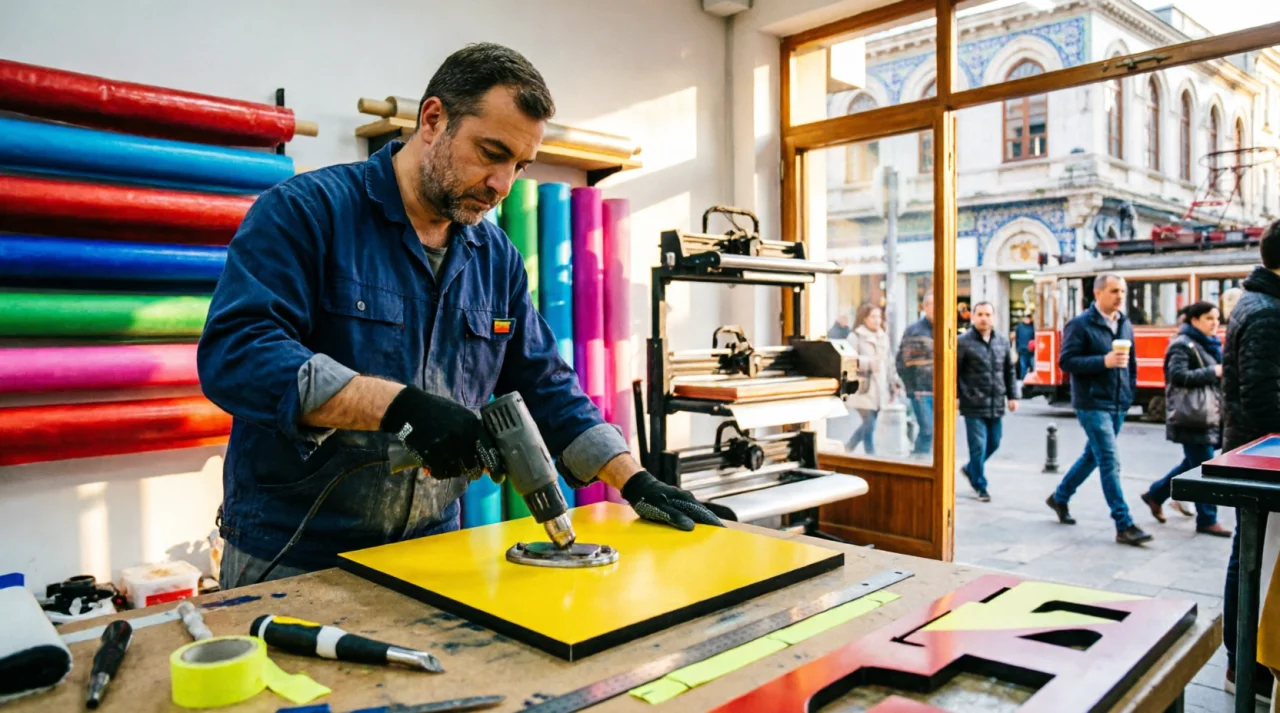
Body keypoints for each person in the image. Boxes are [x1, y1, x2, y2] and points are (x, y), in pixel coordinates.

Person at [198, 44, 721, 589]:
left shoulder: (495, 258)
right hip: (295, 554)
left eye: (518, 165)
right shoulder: (307, 211)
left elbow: (546, 385)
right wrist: (397, 406)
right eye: (490, 152)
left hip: (434, 549)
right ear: (433, 119)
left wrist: (633, 480)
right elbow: (240, 354)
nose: (503, 184)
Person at [1045, 273, 1152, 546]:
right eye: (1114, 291)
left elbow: (1131, 364)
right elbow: (1066, 362)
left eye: (1123, 292)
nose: (1120, 297)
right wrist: (1102, 361)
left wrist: (1129, 392)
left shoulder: (1124, 323)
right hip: (1092, 402)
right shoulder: (1080, 324)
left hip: (1117, 401)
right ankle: (1123, 523)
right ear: (1098, 293)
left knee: (1092, 457)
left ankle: (1060, 497)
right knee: (1108, 459)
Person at [1221, 220, 1280, 697]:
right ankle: (1244, 662)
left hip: (1254, 454)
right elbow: (1262, 398)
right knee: (1251, 558)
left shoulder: (1259, 304)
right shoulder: (1265, 312)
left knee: (1249, 553)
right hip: (1259, 458)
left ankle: (1243, 660)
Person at [1138, 302, 1230, 536]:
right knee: (1205, 468)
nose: (1215, 323)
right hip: (1192, 416)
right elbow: (1177, 375)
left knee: (1193, 464)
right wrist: (1213, 372)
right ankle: (1207, 518)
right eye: (1209, 318)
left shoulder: (1207, 343)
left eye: (1217, 318)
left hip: (1206, 414)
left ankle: (1156, 495)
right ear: (1195, 320)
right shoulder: (1182, 345)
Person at [956, 302, 1019, 502]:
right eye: (980, 314)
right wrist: (957, 396)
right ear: (973, 317)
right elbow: (954, 373)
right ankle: (980, 485)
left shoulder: (1001, 341)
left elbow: (1009, 370)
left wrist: (1013, 396)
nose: (984, 318)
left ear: (994, 317)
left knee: (995, 441)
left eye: (988, 314)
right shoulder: (963, 341)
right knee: (978, 446)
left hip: (996, 401)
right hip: (972, 401)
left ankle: (970, 469)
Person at [846, 303, 902, 455]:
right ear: (864, 318)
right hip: (863, 388)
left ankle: (848, 448)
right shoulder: (855, 336)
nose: (877, 320)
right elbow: (849, 361)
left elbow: (889, 362)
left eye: (879, 316)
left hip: (880, 387)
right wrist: (868, 363)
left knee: (869, 424)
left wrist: (894, 381)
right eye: (873, 317)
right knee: (869, 425)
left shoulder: (883, 336)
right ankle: (871, 456)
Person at [896, 291, 934, 457]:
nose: (936, 308)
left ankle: (922, 460)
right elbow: (902, 363)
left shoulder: (947, 327)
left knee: (936, 433)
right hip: (921, 390)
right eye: (932, 304)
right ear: (925, 307)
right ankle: (918, 462)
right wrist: (911, 389)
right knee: (927, 430)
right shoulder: (915, 330)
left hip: (942, 390)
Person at [1014, 313, 1037, 379]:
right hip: (1022, 351)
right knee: (1023, 367)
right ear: (1023, 319)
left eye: (1028, 318)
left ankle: (1032, 381)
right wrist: (1017, 349)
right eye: (1025, 318)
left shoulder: (1033, 327)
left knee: (1033, 366)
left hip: (1032, 351)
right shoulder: (1019, 327)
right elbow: (1017, 339)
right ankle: (1023, 381)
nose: (1027, 319)